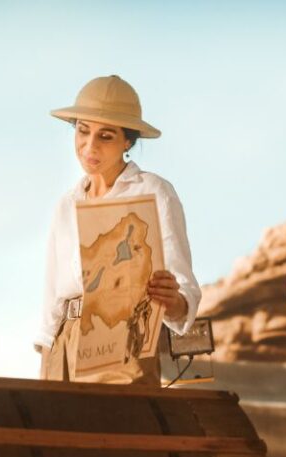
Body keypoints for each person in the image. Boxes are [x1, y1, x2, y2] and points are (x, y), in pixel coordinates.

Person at [36, 74, 201, 384]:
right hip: (65, 347)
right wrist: (46, 370)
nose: (90, 145)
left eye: (106, 136)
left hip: (126, 342)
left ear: (128, 140)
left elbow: (183, 289)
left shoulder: (154, 191)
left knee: (119, 430)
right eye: (83, 131)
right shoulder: (66, 204)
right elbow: (51, 300)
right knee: (56, 431)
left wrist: (173, 301)